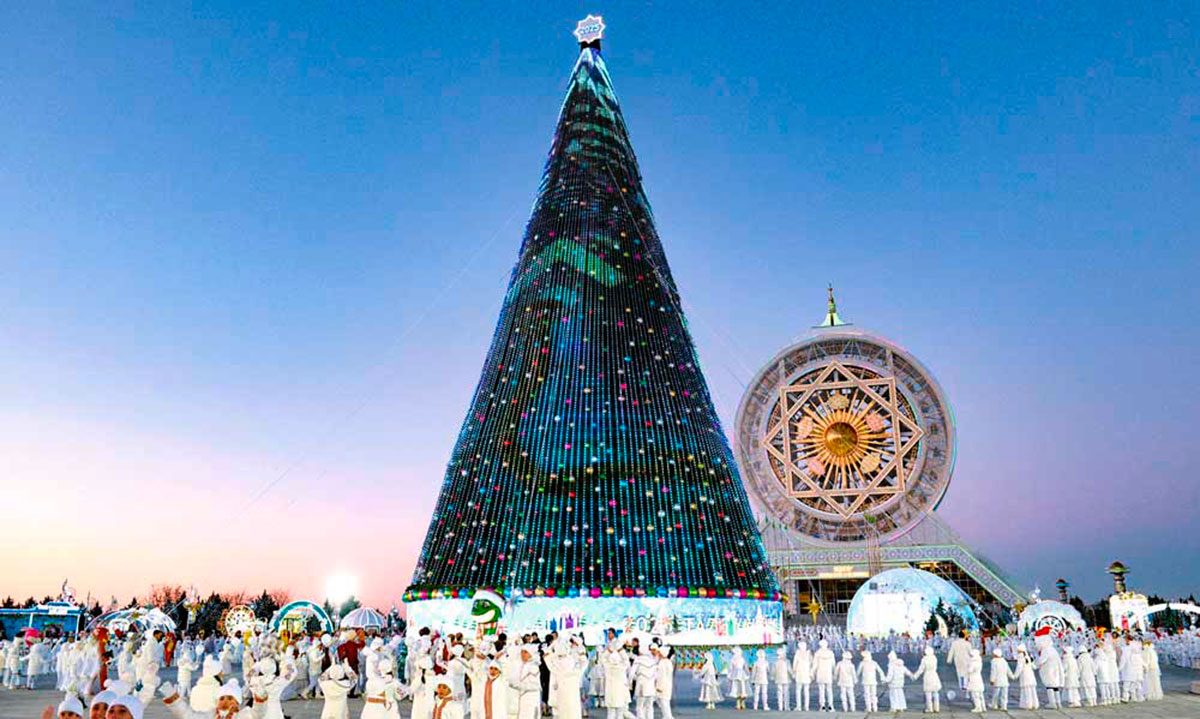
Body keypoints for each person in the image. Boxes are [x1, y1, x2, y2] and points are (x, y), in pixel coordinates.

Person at [160, 677, 255, 719]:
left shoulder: (243, 715)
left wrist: (260, 697)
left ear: (237, 701)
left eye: (230, 698)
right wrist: (175, 700)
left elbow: (258, 712)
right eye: (222, 699)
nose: (225, 702)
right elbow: (189, 716)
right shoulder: (211, 715)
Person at [907, 646, 941, 714]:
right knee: (936, 693)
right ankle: (937, 708)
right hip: (934, 675)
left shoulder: (924, 659)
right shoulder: (934, 658)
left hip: (928, 675)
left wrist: (914, 676)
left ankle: (929, 708)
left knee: (928, 693)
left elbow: (921, 669)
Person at [1034, 633, 1063, 709]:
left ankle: (1052, 703)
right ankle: (1058, 702)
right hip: (1055, 669)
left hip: (1049, 670)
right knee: (1055, 686)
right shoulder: (1053, 649)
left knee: (1049, 686)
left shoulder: (1046, 650)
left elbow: (1042, 660)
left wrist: (1034, 665)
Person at [515, 646, 543, 719]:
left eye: (525, 652)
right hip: (522, 697)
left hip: (531, 697)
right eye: (522, 652)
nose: (523, 654)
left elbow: (534, 685)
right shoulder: (521, 665)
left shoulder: (533, 666)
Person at [811, 640, 835, 712]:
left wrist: (812, 673)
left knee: (821, 690)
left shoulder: (818, 653)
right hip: (828, 674)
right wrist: (834, 673)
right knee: (829, 690)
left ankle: (822, 706)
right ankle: (831, 706)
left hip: (820, 673)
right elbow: (833, 664)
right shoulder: (830, 653)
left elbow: (815, 665)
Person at [1012, 645, 1038, 710]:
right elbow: (1034, 666)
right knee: (1032, 691)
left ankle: (1027, 704)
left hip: (1025, 675)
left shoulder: (1021, 657)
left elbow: (1019, 667)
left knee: (1026, 691)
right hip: (1031, 674)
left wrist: (1015, 675)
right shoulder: (1028, 656)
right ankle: (1035, 704)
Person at [652, 645, 674, 719]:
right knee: (665, 703)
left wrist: (658, 686)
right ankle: (667, 716)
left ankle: (667, 717)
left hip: (662, 686)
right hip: (667, 685)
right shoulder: (668, 662)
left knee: (664, 703)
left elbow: (661, 676)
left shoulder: (662, 663)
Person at [770, 646, 790, 711]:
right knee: (786, 693)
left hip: (778, 678)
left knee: (779, 692)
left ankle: (780, 706)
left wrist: (772, 677)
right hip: (786, 678)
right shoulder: (787, 661)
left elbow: (773, 671)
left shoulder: (775, 662)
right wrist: (793, 675)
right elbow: (789, 670)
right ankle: (786, 706)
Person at [965, 648, 985, 713]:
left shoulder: (973, 662)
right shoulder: (979, 661)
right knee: (980, 694)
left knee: (975, 694)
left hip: (973, 678)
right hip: (979, 677)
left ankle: (978, 707)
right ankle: (983, 706)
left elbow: (970, 670)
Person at [1062, 643, 1081, 708]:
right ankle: (1077, 701)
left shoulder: (1066, 659)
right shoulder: (1073, 659)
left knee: (1070, 690)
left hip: (1069, 676)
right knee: (1075, 689)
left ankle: (1071, 701)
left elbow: (1064, 668)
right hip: (1074, 676)